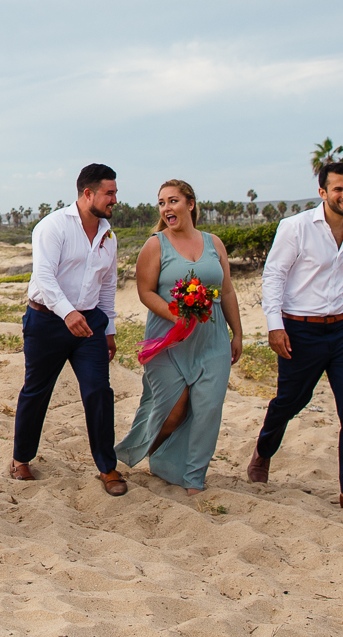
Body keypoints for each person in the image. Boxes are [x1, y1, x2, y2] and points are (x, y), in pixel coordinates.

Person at [248, 160, 343, 511]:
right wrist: (275, 326)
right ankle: (263, 450)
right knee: (291, 401)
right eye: (339, 189)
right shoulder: (296, 228)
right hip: (300, 330)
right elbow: (274, 276)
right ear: (322, 192)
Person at [115, 178, 242, 494]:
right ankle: (141, 453)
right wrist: (177, 316)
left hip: (212, 336)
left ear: (190, 203)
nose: (166, 208)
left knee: (208, 409)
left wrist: (237, 333)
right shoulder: (155, 244)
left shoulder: (214, 243)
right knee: (173, 411)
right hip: (168, 338)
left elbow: (226, 290)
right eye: (161, 203)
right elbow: (144, 292)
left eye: (172, 200)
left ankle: (193, 479)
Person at [10, 164, 126, 495]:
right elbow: (44, 278)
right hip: (47, 320)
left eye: (115, 193)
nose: (114, 200)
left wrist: (109, 329)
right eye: (109, 193)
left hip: (90, 324)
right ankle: (21, 458)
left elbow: (108, 286)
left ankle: (108, 467)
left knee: (98, 391)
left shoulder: (108, 235)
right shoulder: (53, 227)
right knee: (36, 390)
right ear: (87, 193)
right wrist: (68, 313)